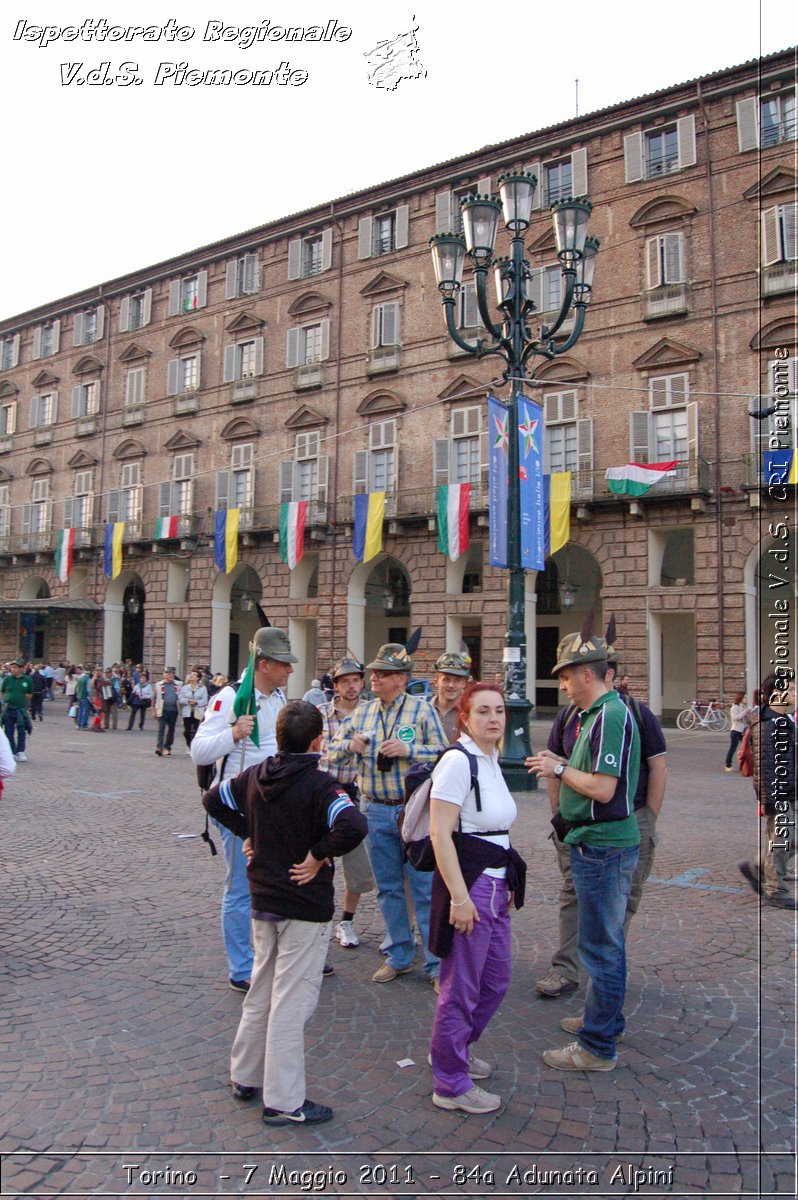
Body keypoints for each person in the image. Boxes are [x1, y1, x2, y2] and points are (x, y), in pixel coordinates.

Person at [203, 700, 367, 1126]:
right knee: (292, 1001)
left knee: (261, 990)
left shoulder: (255, 775)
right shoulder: (321, 785)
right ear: (318, 740)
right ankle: (284, 1099)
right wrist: (318, 854)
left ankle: (244, 1074)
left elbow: (212, 798)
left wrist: (247, 831)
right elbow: (353, 825)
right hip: (304, 905)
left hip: (264, 899)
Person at [527, 631, 640, 1072]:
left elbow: (602, 786)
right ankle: (604, 1021)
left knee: (601, 948)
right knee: (603, 943)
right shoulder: (596, 712)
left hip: (603, 846)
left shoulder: (609, 715)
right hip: (595, 842)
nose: (563, 685)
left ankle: (597, 1047)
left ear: (587, 674)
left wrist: (558, 767)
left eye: (567, 675)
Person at [534, 654, 667, 999]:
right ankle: (568, 971)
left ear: (597, 676)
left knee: (614, 913)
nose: (563, 687)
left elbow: (653, 770)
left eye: (567, 678)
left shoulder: (624, 715)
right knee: (574, 896)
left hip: (621, 823)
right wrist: (559, 814)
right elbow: (552, 761)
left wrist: (648, 819)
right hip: (576, 826)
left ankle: (601, 995)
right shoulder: (571, 717)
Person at [428, 683, 526, 1115]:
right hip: (473, 885)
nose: (494, 718)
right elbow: (439, 833)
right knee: (461, 987)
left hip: (496, 883)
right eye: (483, 711)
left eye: (500, 711)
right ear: (464, 717)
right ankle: (449, 1082)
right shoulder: (457, 762)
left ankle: (454, 1050)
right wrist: (459, 897)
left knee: (495, 979)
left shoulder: (489, 759)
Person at [328, 643, 446, 985]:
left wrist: (409, 750)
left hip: (413, 811)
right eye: (374, 673)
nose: (374, 678)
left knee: (424, 886)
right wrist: (349, 747)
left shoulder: (422, 712)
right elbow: (329, 755)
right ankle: (399, 954)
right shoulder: (361, 714)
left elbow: (443, 753)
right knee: (388, 887)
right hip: (375, 809)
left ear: (402, 679)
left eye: (382, 673)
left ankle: (437, 963)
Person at [192, 627, 295, 992]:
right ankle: (241, 966)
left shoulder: (280, 697)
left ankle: (279, 952)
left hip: (275, 808)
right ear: (263, 664)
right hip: (239, 808)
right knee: (239, 889)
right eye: (283, 664)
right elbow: (199, 751)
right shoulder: (232, 698)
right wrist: (233, 734)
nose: (290, 670)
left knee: (278, 881)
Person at [318, 656, 376, 948]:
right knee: (319, 859)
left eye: (356, 680)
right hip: (322, 794)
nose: (351, 686)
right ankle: (318, 920)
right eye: (345, 681)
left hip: (354, 794)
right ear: (336, 685)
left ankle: (347, 921)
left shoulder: (371, 713)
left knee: (356, 864)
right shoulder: (320, 714)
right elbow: (317, 753)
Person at [738, 674, 797, 910]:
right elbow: (765, 767)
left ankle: (760, 867)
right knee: (782, 840)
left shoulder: (785, 720)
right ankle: (776, 890)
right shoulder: (766, 724)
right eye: (791, 688)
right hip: (779, 794)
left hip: (789, 791)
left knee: (785, 840)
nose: (794, 692)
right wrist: (770, 799)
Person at [430, 652, 471, 743]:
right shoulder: (423, 711)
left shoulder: (470, 714)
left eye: (457, 680)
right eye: (446, 679)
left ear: (464, 684)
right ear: (436, 682)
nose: (451, 685)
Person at [1, 660, 33, 761]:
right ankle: (12, 751)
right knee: (8, 730)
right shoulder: (8, 679)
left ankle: (20, 751)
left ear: (21, 668)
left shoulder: (27, 680)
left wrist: (22, 701)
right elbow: (2, 692)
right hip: (9, 707)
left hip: (21, 708)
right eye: (12, 667)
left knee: (22, 730)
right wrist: (6, 700)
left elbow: (30, 694)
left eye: (15, 667)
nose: (12, 669)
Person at [153, 667, 181, 756]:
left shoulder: (178, 684)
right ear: (164, 675)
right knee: (161, 729)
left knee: (171, 729)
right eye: (168, 674)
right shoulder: (159, 685)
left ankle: (167, 747)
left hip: (174, 710)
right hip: (162, 709)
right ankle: (159, 747)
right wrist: (154, 710)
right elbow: (155, 698)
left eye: (172, 674)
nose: (171, 676)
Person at [179, 671, 208, 752]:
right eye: (191, 675)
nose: (191, 676)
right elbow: (180, 699)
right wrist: (188, 701)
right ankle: (190, 745)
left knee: (196, 730)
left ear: (198, 678)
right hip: (187, 712)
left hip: (198, 712)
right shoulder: (185, 688)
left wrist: (196, 702)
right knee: (187, 731)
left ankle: (194, 748)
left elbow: (205, 700)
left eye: (194, 675)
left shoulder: (202, 688)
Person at [725, 692, 750, 772]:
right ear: (741, 698)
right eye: (745, 698)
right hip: (736, 731)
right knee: (733, 748)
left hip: (743, 731)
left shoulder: (743, 707)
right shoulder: (735, 707)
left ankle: (745, 764)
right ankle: (728, 765)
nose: (747, 699)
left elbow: (745, 720)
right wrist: (745, 712)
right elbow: (735, 718)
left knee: (748, 747)